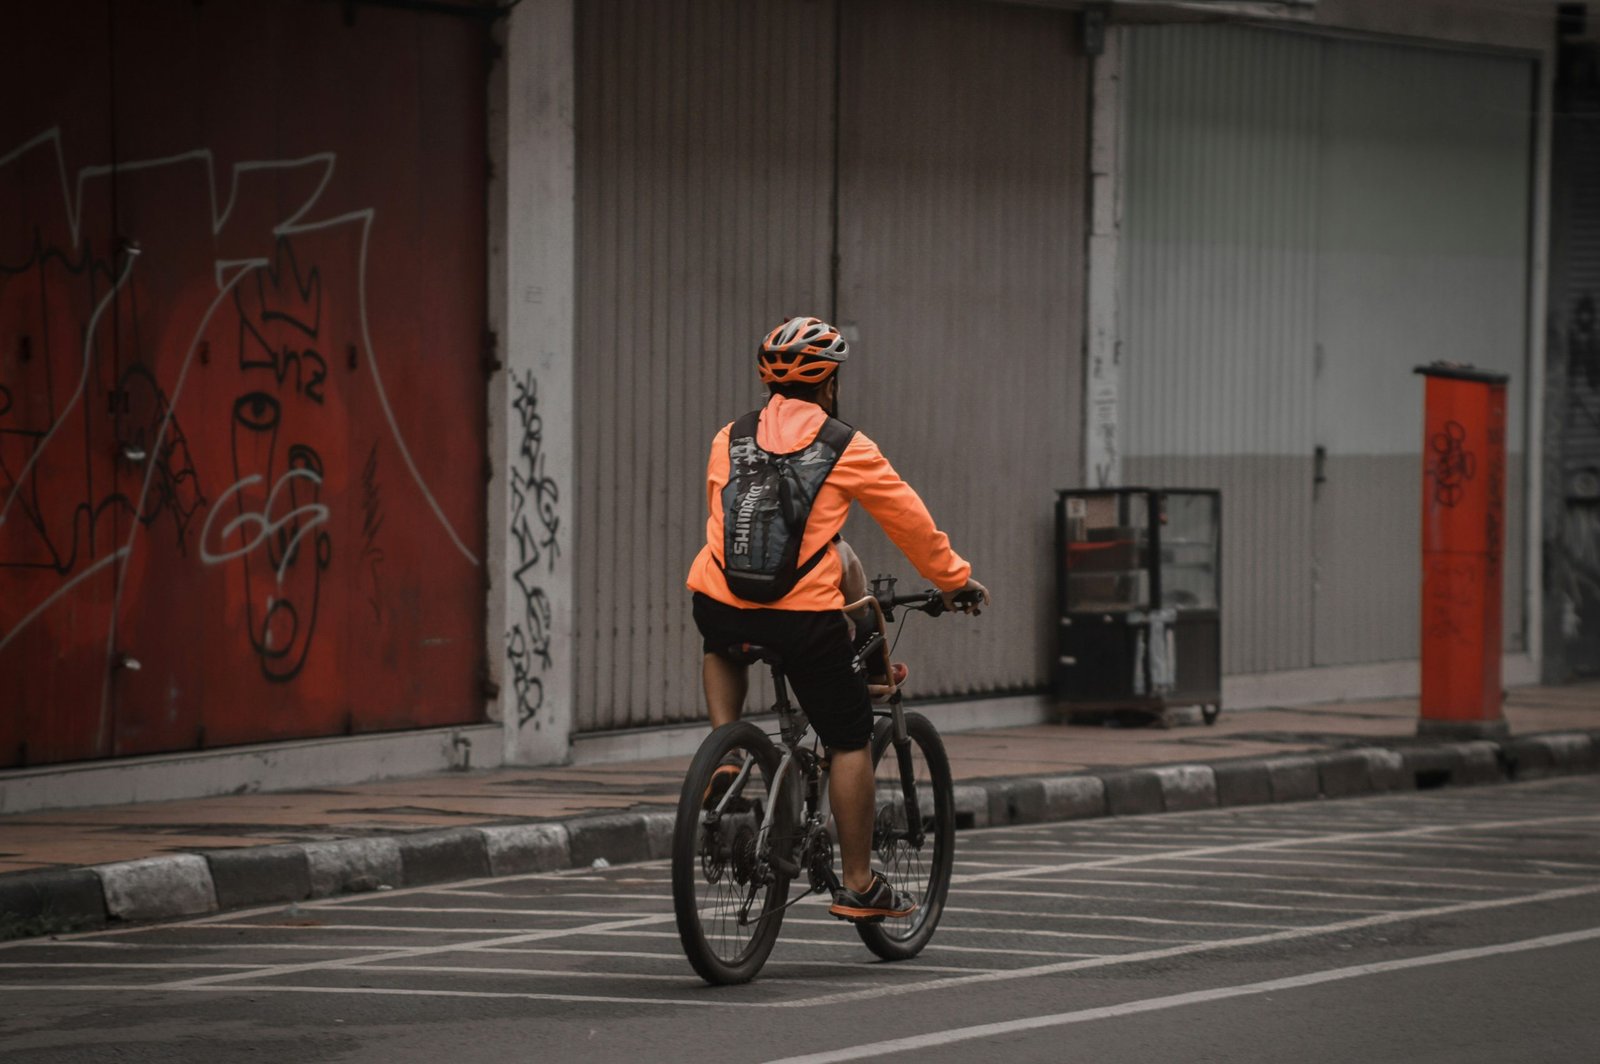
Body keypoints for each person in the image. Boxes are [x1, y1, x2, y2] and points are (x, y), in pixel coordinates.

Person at [685, 315, 989, 921]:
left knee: (725, 638)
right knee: (849, 737)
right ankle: (857, 882)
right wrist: (954, 580)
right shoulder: (846, 445)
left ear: (767, 381)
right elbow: (909, 521)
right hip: (801, 620)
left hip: (717, 601)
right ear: (830, 384)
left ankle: (725, 747)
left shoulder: (729, 436)